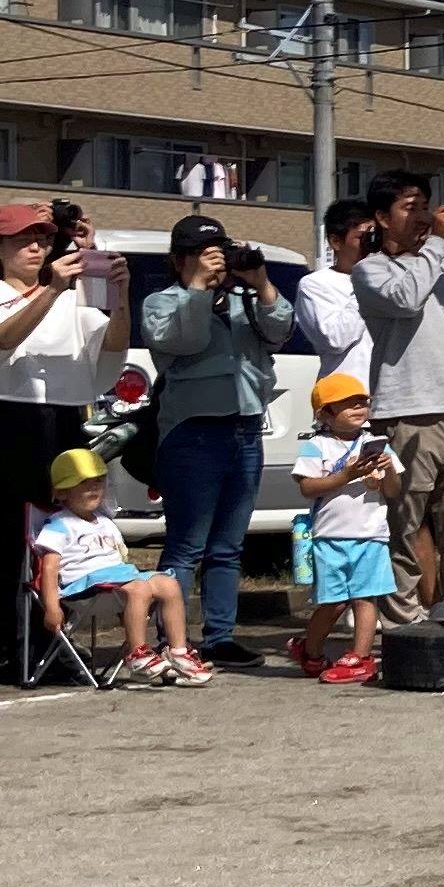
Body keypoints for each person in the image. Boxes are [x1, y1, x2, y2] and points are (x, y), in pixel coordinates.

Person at [0, 201, 122, 675]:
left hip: (65, 416)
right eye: (24, 239)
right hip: (7, 419)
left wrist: (96, 262)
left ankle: (52, 643)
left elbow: (105, 334)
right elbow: (3, 337)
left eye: (45, 239)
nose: (37, 247)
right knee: (8, 538)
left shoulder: (71, 295)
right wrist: (51, 288)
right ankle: (2, 644)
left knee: (63, 532)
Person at [140, 212, 295, 667]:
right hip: (192, 432)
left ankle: (220, 637)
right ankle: (171, 640)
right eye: (200, 254)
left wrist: (262, 283)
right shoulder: (162, 302)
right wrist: (198, 289)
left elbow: (281, 331)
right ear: (178, 260)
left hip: (245, 428)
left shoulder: (243, 299)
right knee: (187, 543)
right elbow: (186, 340)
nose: (214, 261)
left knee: (229, 545)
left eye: (218, 252)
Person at [353, 175, 444, 622]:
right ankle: (401, 618)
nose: (423, 216)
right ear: (380, 218)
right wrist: (437, 243)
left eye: (425, 206)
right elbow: (408, 298)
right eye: (409, 207)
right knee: (403, 522)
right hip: (406, 410)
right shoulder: (371, 269)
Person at [33, 446, 204, 684]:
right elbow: (49, 568)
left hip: (114, 581)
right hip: (83, 586)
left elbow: (119, 559)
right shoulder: (59, 525)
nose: (93, 488)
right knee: (139, 588)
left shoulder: (104, 522)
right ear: (61, 492)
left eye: (98, 481)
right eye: (83, 483)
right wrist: (52, 607)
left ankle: (178, 652)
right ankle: (136, 653)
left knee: (168, 584)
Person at [293, 370, 403, 683]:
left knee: (366, 597)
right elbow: (308, 487)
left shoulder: (376, 444)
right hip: (330, 536)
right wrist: (348, 475)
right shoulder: (317, 446)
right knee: (332, 601)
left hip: (371, 534)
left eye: (362, 403)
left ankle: (362, 655)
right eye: (347, 404)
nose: (358, 409)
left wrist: (388, 469)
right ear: (325, 413)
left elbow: (393, 490)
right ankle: (310, 649)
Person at [291, 196, 374, 395]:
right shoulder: (315, 284)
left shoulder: (391, 279)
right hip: (344, 403)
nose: (371, 244)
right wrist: (367, 283)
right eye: (362, 237)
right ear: (336, 241)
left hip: (390, 402)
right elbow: (335, 339)